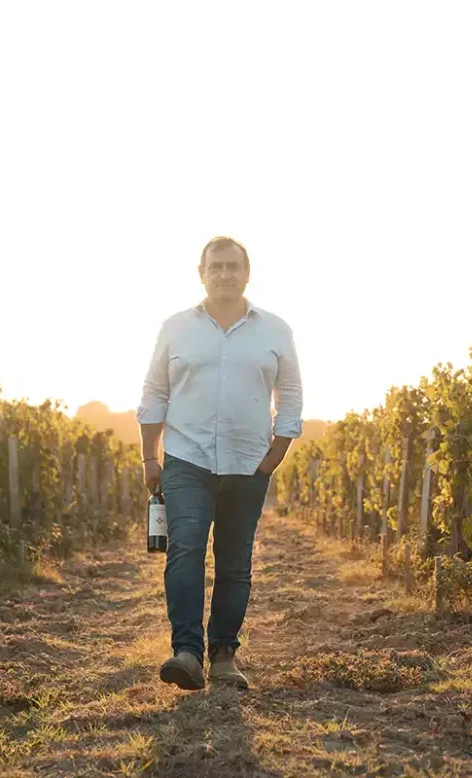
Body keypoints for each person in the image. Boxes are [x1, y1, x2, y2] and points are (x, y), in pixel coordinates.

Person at [135, 236, 303, 690]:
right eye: (216, 266)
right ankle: (187, 652)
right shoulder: (175, 328)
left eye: (233, 266)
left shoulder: (275, 330)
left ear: (247, 274)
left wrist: (275, 455)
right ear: (201, 273)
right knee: (186, 549)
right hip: (186, 458)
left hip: (249, 465)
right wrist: (150, 455)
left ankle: (224, 654)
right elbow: (154, 393)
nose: (225, 273)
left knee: (234, 563)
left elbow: (289, 396)